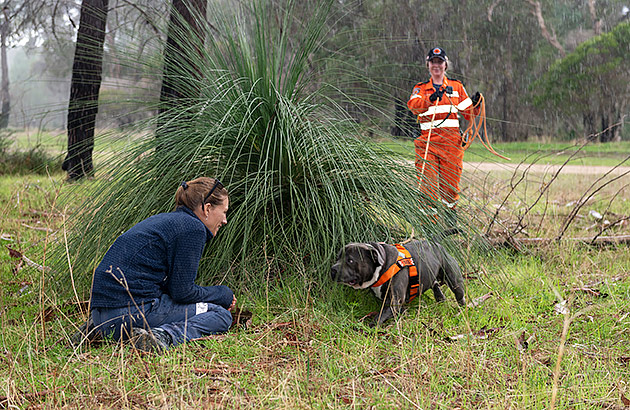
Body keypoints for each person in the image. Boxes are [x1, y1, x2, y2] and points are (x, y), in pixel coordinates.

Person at [88, 177, 235, 353]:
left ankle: (95, 331)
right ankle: (162, 336)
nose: (225, 220)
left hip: (100, 318)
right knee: (221, 315)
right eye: (224, 211)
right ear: (207, 208)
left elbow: (171, 289)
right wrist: (222, 294)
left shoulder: (168, 221)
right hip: (128, 315)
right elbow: (183, 292)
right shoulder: (193, 228)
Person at [407, 47, 482, 226]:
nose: (437, 65)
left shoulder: (456, 87)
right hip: (428, 144)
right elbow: (413, 106)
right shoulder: (421, 88)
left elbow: (468, 113)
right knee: (427, 187)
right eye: (433, 62)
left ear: (445, 64)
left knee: (450, 186)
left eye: (440, 62)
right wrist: (430, 99)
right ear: (428, 65)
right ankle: (430, 226)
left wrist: (476, 104)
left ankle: (450, 223)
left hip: (451, 145)